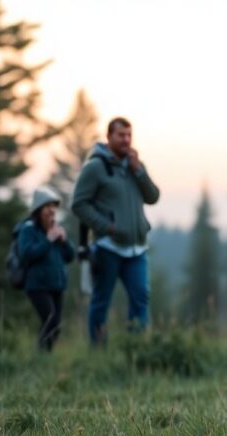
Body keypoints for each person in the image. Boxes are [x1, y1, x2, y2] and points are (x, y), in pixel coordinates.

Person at [72, 117, 160, 345]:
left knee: (141, 299)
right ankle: (98, 351)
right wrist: (107, 227)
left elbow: (153, 197)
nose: (126, 140)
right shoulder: (95, 167)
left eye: (129, 135)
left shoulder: (135, 166)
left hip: (136, 249)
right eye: (121, 135)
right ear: (109, 137)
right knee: (101, 301)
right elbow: (79, 204)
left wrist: (139, 170)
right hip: (107, 248)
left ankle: (136, 348)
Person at [18, 187, 75, 351]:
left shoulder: (56, 228)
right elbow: (27, 254)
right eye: (47, 206)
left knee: (56, 325)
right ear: (38, 210)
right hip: (37, 285)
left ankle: (45, 357)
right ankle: (42, 355)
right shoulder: (28, 230)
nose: (51, 210)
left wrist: (64, 241)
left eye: (53, 206)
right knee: (50, 320)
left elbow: (70, 257)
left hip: (57, 284)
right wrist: (48, 240)